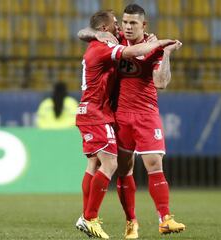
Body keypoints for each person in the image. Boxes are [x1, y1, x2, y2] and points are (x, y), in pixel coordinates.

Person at [78, 4, 185, 238]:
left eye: (132, 23)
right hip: (119, 115)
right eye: (124, 22)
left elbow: (161, 82)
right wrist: (98, 33)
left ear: (143, 25)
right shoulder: (114, 39)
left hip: (146, 114)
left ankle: (165, 217)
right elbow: (82, 32)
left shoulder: (153, 46)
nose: (126, 27)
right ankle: (130, 221)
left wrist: (164, 53)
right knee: (123, 169)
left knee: (154, 164)